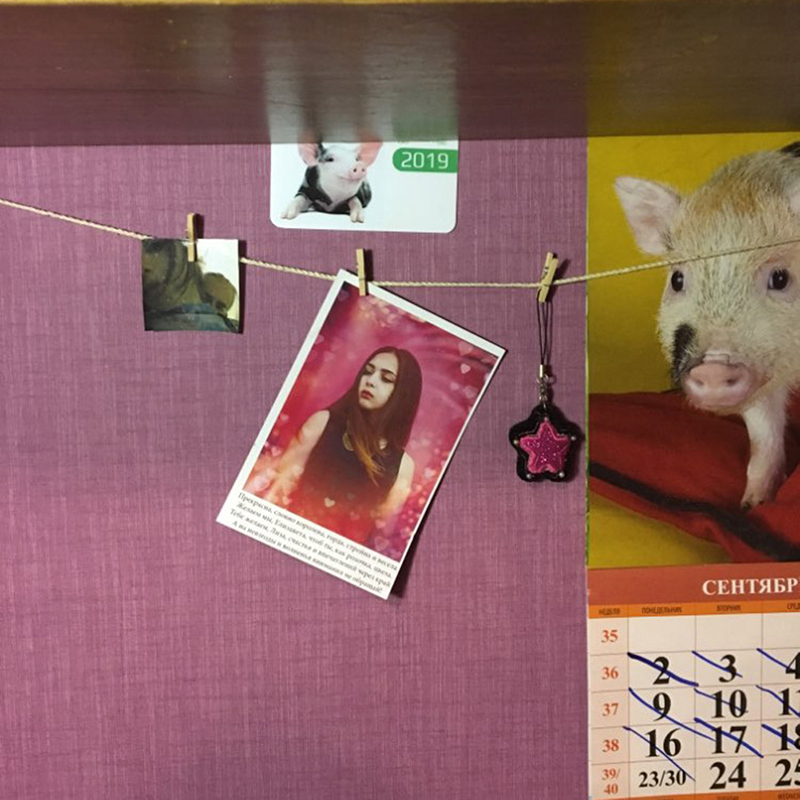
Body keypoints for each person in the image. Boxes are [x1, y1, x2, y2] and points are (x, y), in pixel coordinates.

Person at [246, 346, 422, 546]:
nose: (370, 381)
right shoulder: (322, 423)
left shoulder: (403, 466)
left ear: (404, 393)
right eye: (368, 371)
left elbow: (381, 532)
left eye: (386, 379)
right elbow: (278, 490)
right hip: (291, 538)